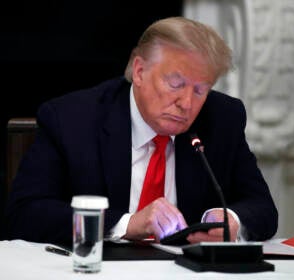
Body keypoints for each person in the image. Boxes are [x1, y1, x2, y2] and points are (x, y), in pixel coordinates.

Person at [5, 17, 277, 245]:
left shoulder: (222, 119)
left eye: (200, 89)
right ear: (139, 70)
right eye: (175, 83)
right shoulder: (72, 119)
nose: (186, 103)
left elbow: (263, 209)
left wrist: (230, 219)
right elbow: (24, 214)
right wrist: (126, 224)